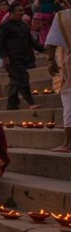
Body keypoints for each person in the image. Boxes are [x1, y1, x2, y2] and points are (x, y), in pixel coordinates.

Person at [0, 4, 45, 110]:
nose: (22, 12)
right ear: (11, 13)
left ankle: (12, 104)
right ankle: (31, 103)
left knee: (16, 81)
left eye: (22, 10)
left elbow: (31, 41)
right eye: (19, 10)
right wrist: (4, 56)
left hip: (26, 56)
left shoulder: (24, 25)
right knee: (23, 78)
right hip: (12, 58)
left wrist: (44, 49)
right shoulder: (5, 26)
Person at [46, 8, 71, 152]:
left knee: (69, 100)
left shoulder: (63, 15)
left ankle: (68, 143)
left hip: (68, 64)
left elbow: (52, 41)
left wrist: (50, 60)